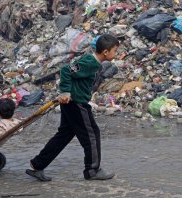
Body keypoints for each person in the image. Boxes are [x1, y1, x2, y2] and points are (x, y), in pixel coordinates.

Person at [26, 34, 119, 181]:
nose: (116, 54)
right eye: (115, 51)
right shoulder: (90, 62)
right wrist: (65, 91)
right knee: (92, 135)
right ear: (105, 52)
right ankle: (92, 170)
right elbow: (66, 70)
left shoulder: (93, 63)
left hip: (73, 103)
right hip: (77, 103)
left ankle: (38, 164)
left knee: (63, 135)